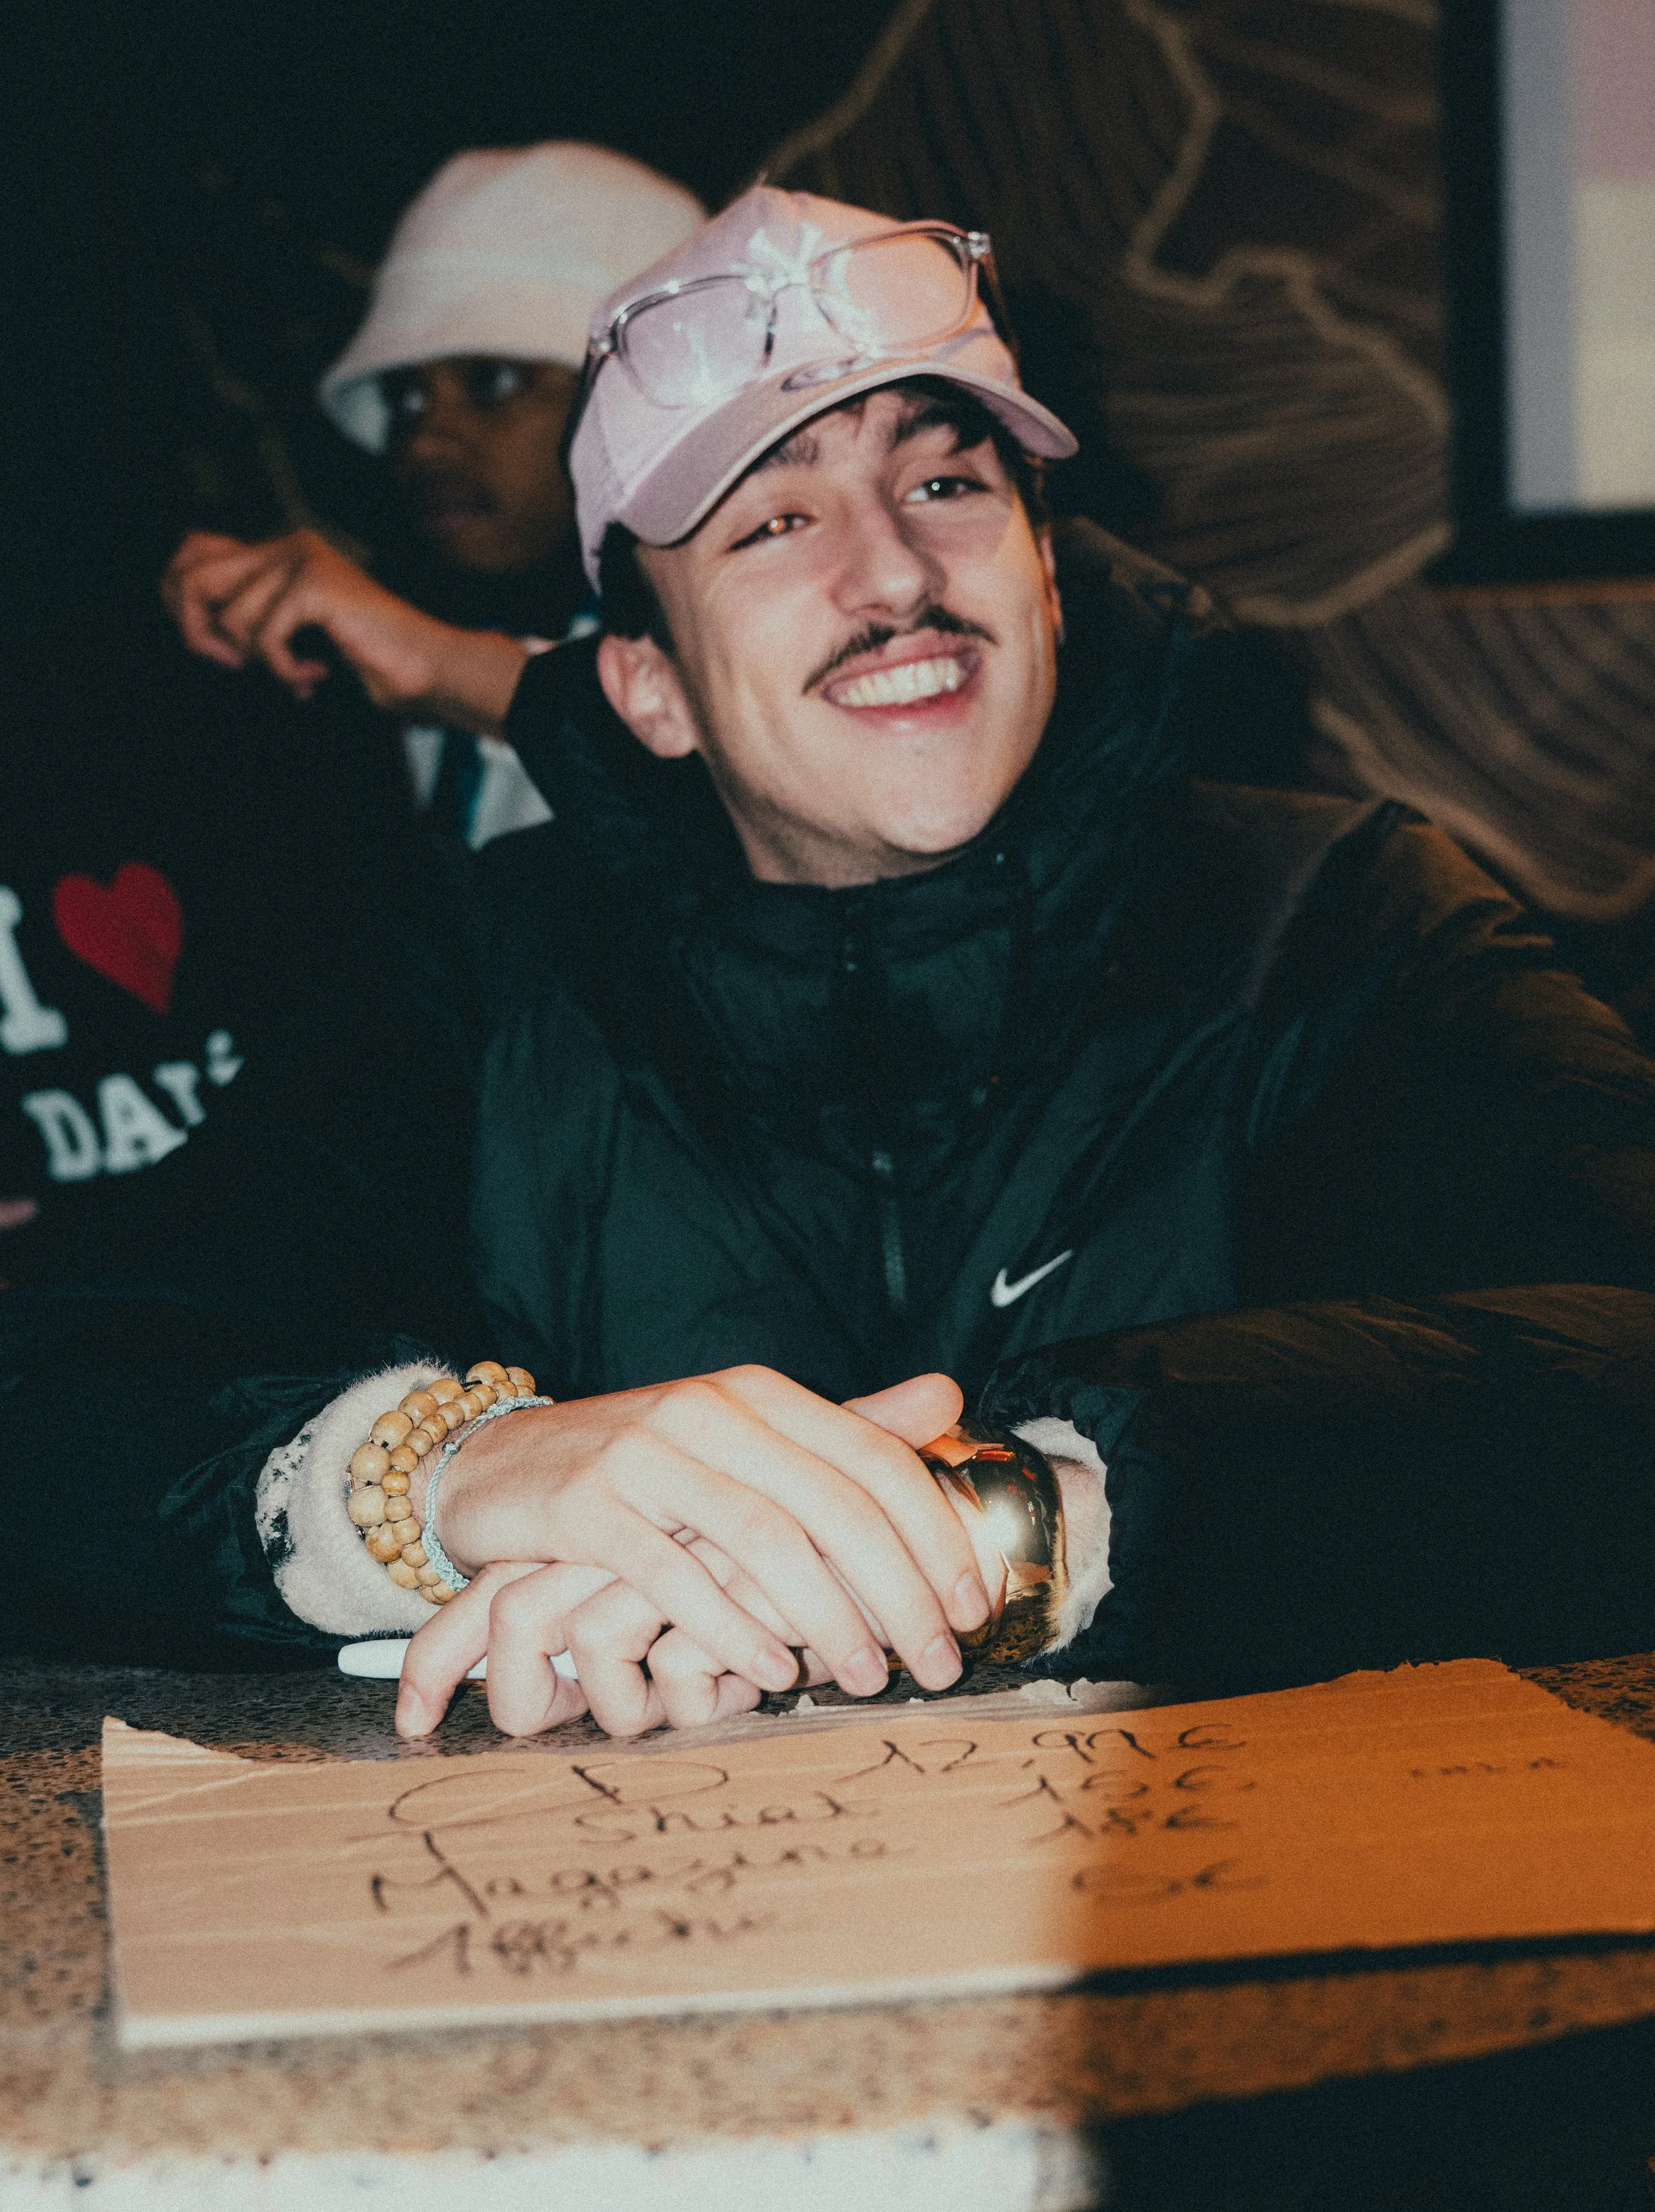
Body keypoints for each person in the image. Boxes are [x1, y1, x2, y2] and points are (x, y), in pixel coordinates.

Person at [16, 188, 1655, 1728]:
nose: (891, 575)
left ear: (1048, 577)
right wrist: (451, 1474)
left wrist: (1021, 1522)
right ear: (646, 684)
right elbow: (65, 1379)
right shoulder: (484, 972)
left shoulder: (1332, 919)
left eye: (946, 484)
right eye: (772, 518)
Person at [162, 144, 704, 847]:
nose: (423, 441)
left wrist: (432, 663)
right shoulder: (356, 704)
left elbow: (728, 762)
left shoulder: (754, 629)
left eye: (493, 382)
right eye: (406, 395)